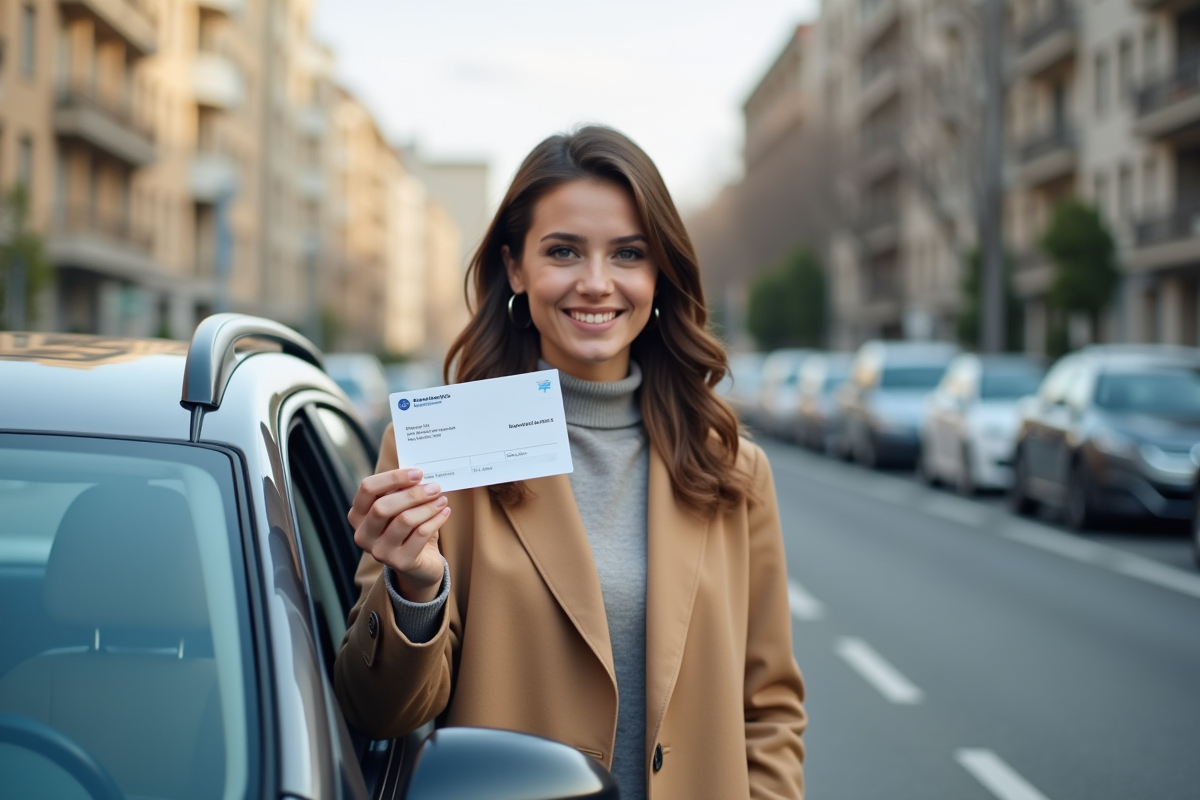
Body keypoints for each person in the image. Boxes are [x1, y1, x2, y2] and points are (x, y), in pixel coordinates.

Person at [334, 125, 806, 800]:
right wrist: (415, 587)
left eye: (627, 254)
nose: (595, 283)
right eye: (563, 251)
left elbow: (768, 712)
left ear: (659, 273)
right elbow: (376, 712)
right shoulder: (439, 452)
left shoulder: (730, 469)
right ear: (517, 269)